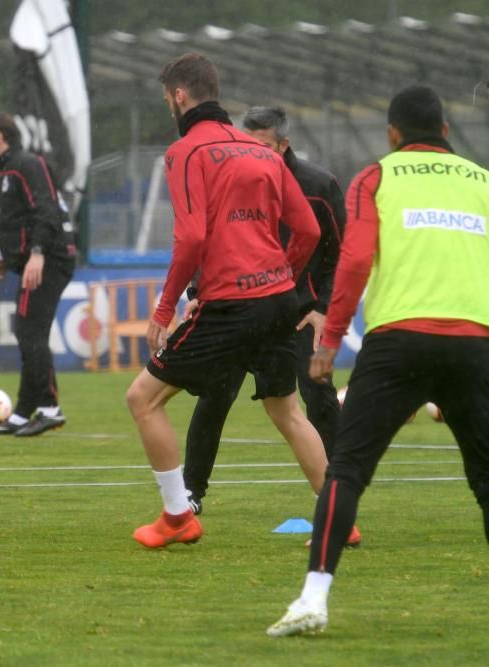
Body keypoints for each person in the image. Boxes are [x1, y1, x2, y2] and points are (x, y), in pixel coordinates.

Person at [268, 85, 489, 637]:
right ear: (445, 129)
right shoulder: (483, 182)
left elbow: (357, 258)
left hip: (397, 344)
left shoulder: (376, 177)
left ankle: (314, 598)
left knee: (347, 470)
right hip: (473, 343)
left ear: (392, 133)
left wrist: (329, 341)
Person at [124, 53, 322, 549]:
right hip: (279, 300)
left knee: (142, 399)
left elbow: (189, 239)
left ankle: (177, 516)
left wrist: (165, 307)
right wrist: (282, 277)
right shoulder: (262, 152)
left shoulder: (185, 152)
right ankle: (341, 518)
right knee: (287, 411)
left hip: (232, 303)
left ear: (179, 96)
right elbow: (308, 230)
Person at [182, 106, 346, 515]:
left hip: (300, 311)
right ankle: (190, 493)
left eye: (265, 147)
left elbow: (340, 252)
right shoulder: (231, 179)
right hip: (239, 306)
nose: (254, 154)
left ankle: (341, 493)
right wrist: (197, 291)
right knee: (216, 395)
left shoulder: (319, 185)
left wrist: (325, 309)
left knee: (317, 396)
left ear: (284, 145)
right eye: (248, 144)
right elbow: (207, 237)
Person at [0, 111, 76, 437]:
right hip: (39, 258)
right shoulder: (8, 171)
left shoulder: (27, 164)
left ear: (0, 138)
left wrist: (37, 253)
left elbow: (46, 210)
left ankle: (49, 408)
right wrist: (11, 259)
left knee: (30, 331)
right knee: (28, 331)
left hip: (51, 258)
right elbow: (22, 220)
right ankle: (22, 412)